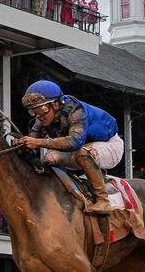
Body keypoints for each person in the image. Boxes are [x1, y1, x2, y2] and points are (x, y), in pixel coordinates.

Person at [17, 80, 123, 215]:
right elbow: (33, 139)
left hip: (110, 145)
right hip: (82, 147)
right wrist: (21, 143)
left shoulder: (76, 110)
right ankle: (72, 192)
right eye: (34, 111)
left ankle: (103, 200)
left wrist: (38, 142)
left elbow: (74, 142)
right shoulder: (41, 117)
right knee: (49, 158)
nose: (39, 116)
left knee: (83, 153)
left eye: (42, 109)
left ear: (55, 104)